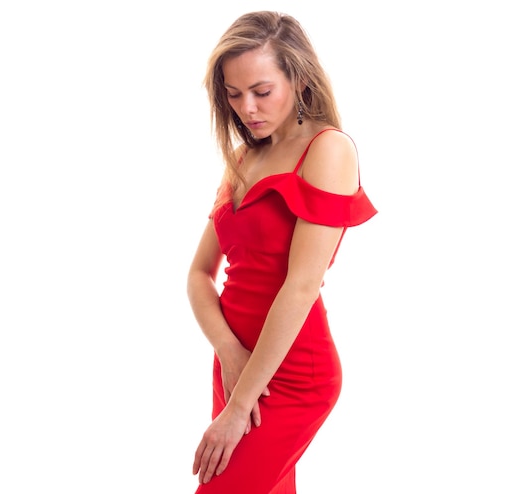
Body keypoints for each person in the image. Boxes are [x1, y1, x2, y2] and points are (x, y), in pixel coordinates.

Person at [187, 11, 377, 493]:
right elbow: (199, 274)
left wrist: (239, 404)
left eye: (262, 91)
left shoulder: (328, 149)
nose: (247, 108)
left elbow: (300, 285)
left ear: (298, 77)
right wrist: (230, 354)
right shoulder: (246, 155)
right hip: (236, 366)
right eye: (233, 94)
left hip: (289, 377)